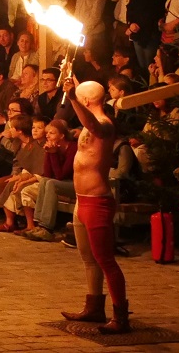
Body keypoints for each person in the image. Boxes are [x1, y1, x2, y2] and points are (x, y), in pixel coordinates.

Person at [60, 77, 130, 334]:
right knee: (88, 258)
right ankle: (94, 307)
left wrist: (72, 96)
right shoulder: (90, 121)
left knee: (105, 260)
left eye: (80, 98)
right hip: (82, 200)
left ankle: (121, 316)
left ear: (86, 100)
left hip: (97, 201)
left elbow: (91, 123)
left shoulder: (104, 124)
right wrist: (73, 82)